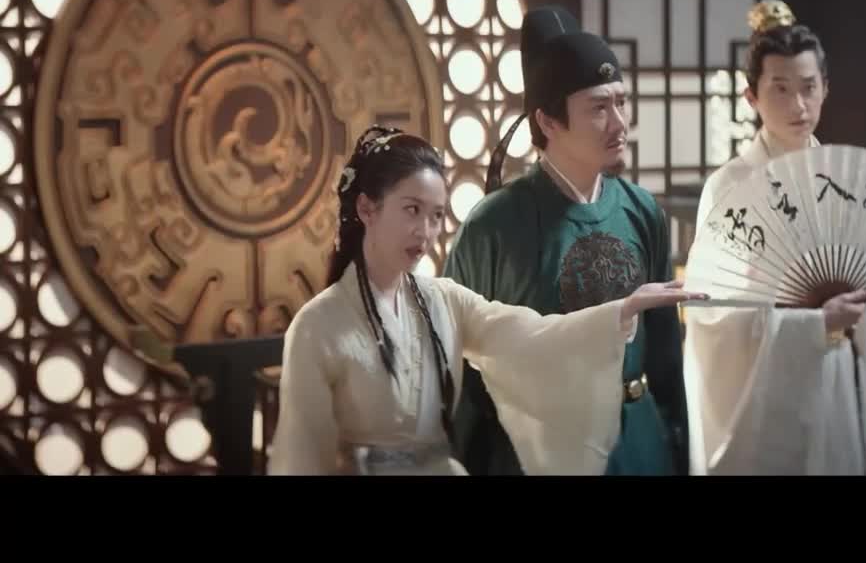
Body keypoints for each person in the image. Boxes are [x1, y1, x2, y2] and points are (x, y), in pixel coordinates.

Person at [267, 124, 703, 475]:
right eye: (412, 210)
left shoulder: (444, 300)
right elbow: (300, 458)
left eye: (437, 216)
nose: (425, 232)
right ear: (366, 209)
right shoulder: (318, 326)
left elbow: (529, 335)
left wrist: (619, 312)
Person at [681, 0, 866, 475]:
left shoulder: (844, 181)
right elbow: (713, 315)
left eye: (809, 87)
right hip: (769, 394)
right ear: (751, 96)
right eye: (780, 89)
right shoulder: (729, 188)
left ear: (826, 88)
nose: (798, 106)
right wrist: (810, 326)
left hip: (837, 384)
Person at [446, 5, 688, 476]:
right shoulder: (491, 227)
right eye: (598, 108)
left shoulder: (641, 211)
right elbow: (463, 370)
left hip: (639, 442)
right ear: (549, 122)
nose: (619, 122)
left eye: (621, 102)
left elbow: (665, 356)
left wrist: (674, 445)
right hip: (540, 451)